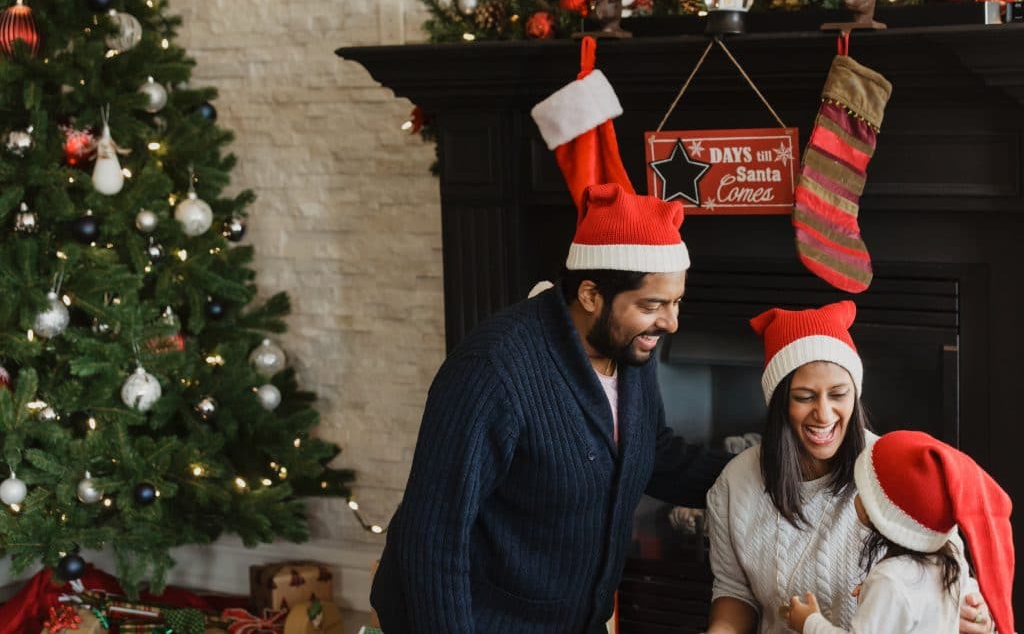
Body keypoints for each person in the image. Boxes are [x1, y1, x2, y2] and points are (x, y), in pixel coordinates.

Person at [371, 35, 730, 633]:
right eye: (653, 304)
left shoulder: (628, 355)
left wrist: (779, 471)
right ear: (590, 294)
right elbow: (437, 538)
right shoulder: (494, 372)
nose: (669, 323)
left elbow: (651, 456)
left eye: (676, 303)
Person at [705, 301, 994, 634]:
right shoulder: (736, 482)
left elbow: (950, 572)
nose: (824, 414)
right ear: (779, 402)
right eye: (804, 397)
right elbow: (734, 592)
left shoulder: (898, 473)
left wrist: (970, 612)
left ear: (855, 395)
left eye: (839, 394)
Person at [783, 429, 1014, 634]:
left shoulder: (890, 580)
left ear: (883, 516)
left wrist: (809, 622)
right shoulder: (949, 559)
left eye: (864, 490)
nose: (857, 496)